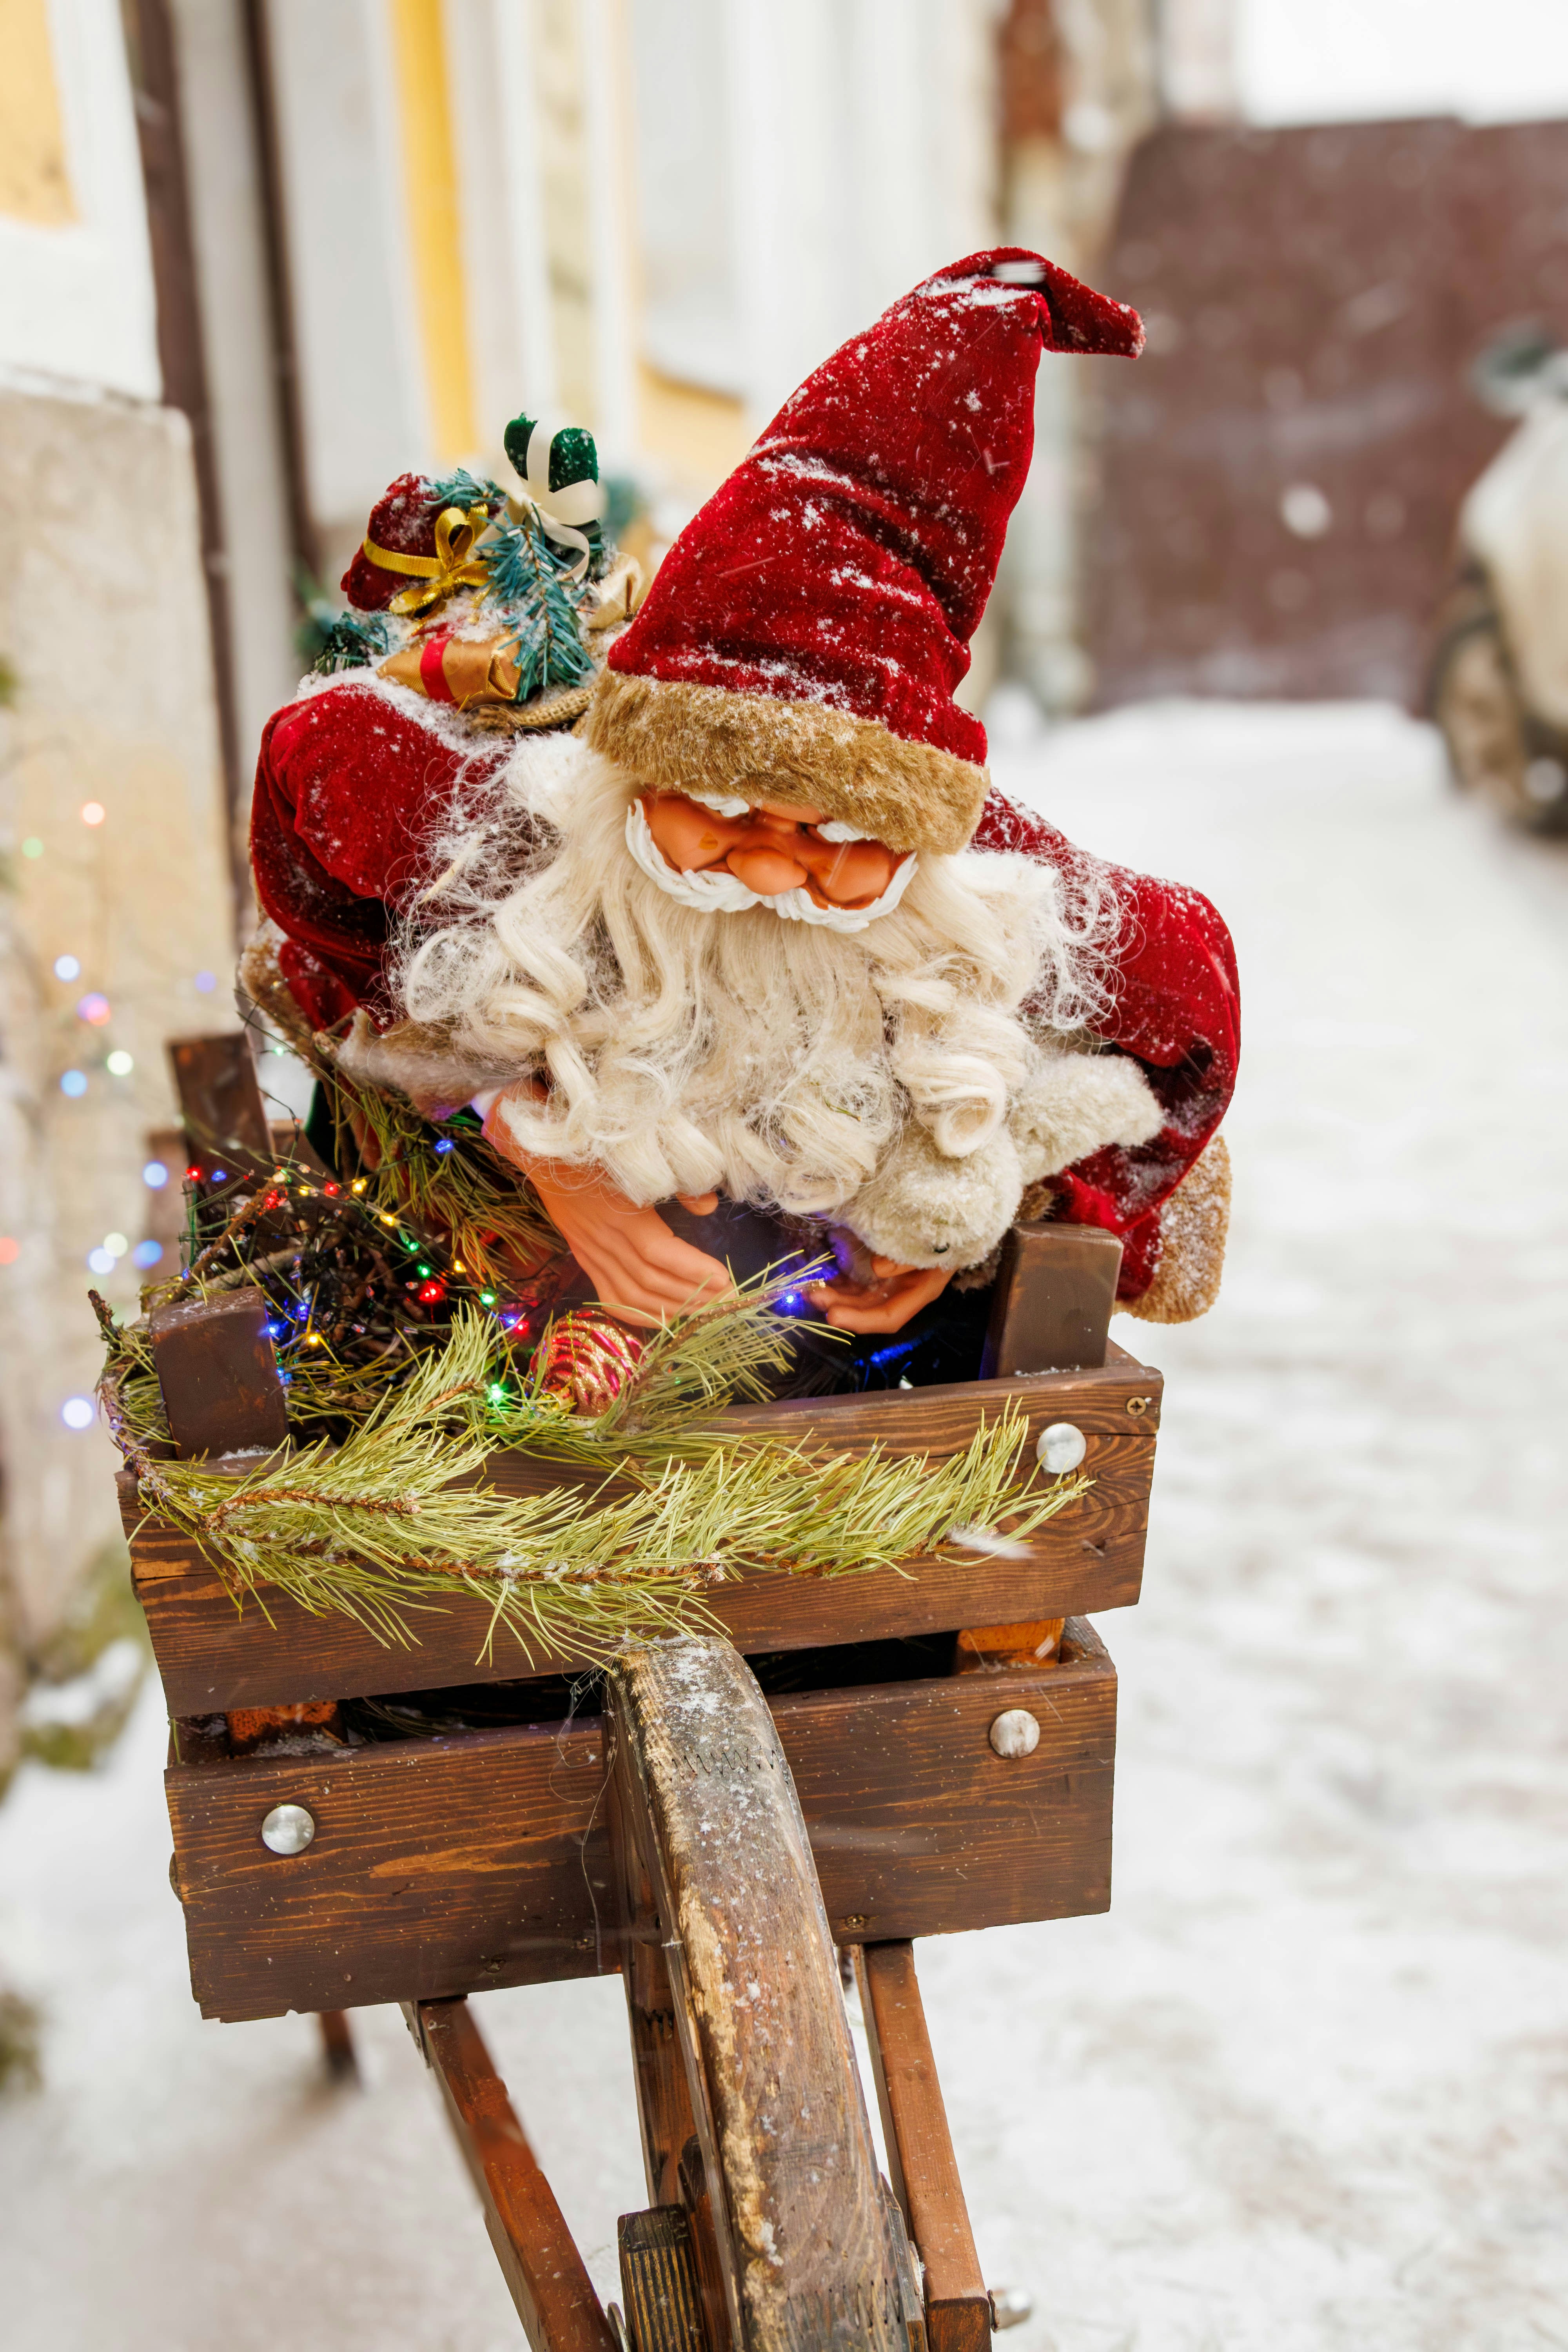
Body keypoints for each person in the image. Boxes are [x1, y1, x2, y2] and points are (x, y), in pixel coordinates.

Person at [249, 248, 1239, 1385]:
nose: (772, 872)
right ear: (633, 778)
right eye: (722, 811)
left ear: (919, 843)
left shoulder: (1000, 894)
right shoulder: (503, 834)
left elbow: (1189, 1000)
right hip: (499, 1334)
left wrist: (978, 1207)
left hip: (843, 1378)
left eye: (843, 842)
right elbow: (313, 766)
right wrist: (537, 1146)